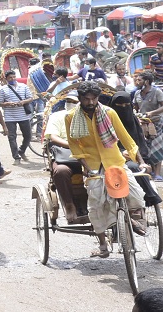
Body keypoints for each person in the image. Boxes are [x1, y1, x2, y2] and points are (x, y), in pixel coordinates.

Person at [66, 81, 146, 257]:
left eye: (94, 99)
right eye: (87, 99)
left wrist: (140, 161)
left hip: (115, 162)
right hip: (92, 165)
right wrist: (86, 168)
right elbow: (75, 147)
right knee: (95, 205)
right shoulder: (71, 117)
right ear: (80, 99)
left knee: (136, 193)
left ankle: (134, 219)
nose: (91, 102)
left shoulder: (109, 113)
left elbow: (126, 139)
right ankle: (103, 245)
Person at [109, 92, 162, 207]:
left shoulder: (133, 121)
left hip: (133, 156)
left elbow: (139, 144)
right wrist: (119, 152)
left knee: (136, 168)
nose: (123, 108)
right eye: (119, 105)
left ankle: (146, 198)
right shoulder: (107, 122)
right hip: (111, 156)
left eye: (126, 105)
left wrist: (141, 160)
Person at [44, 91, 87, 223]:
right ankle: (69, 204)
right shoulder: (57, 116)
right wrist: (71, 145)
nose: (71, 104)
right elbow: (52, 136)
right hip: (65, 153)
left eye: (74, 102)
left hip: (88, 152)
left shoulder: (88, 115)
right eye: (69, 101)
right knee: (61, 171)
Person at [0, 70, 34, 164]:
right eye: (10, 78)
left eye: (14, 77)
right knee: (12, 137)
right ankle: (16, 157)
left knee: (28, 136)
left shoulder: (24, 86)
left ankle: (21, 150)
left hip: (24, 116)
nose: (12, 79)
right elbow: (0, 103)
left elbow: (30, 98)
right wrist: (8, 104)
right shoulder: (3, 89)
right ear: (6, 79)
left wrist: (23, 102)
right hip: (10, 117)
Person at [133, 71, 163, 181]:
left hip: (156, 123)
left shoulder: (157, 92)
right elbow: (136, 107)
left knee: (157, 147)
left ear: (146, 81)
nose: (137, 81)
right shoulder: (137, 93)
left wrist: (152, 113)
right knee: (145, 147)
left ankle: (158, 173)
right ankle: (147, 172)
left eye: (139, 80)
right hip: (142, 123)